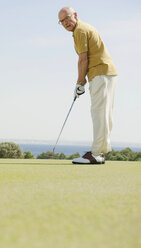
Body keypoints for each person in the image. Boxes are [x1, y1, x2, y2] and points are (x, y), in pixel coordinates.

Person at [58, 7, 117, 164]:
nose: (65, 23)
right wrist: (82, 80)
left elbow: (83, 59)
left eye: (67, 19)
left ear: (75, 15)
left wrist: (79, 82)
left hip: (100, 73)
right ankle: (101, 152)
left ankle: (96, 153)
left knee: (98, 113)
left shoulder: (79, 30)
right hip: (107, 72)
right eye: (62, 21)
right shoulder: (85, 28)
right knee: (104, 113)